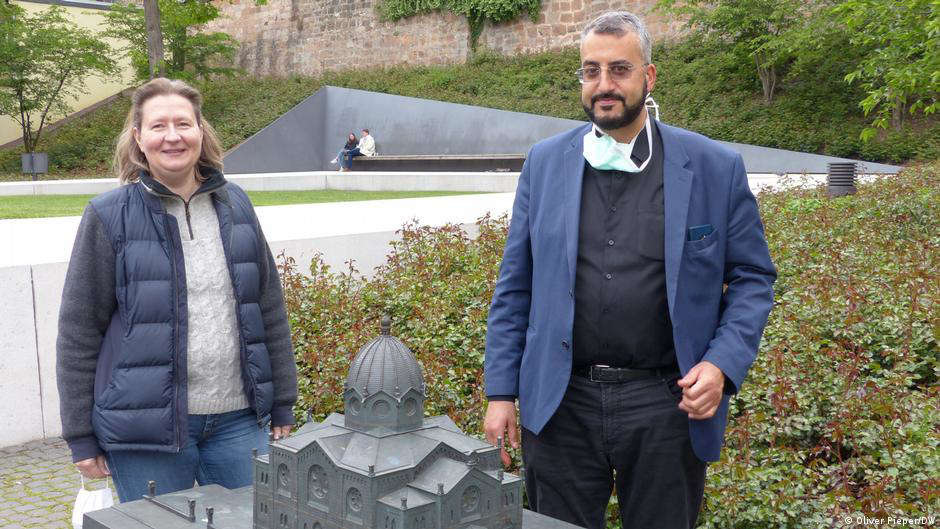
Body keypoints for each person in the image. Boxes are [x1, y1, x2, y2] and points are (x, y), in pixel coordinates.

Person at [483, 11, 776, 529]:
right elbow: (515, 286)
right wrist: (501, 391)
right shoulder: (545, 163)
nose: (604, 85)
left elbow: (753, 278)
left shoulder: (713, 167)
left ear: (649, 76)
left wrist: (722, 364)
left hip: (667, 405)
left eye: (619, 70)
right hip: (561, 403)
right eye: (590, 71)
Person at [56, 77, 298, 503]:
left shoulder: (236, 205)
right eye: (158, 126)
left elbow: (268, 308)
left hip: (239, 422)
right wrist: (81, 435)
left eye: (183, 124)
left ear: (201, 132)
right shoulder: (108, 216)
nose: (172, 136)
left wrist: (281, 402)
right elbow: (79, 331)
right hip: (145, 433)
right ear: (138, 138)